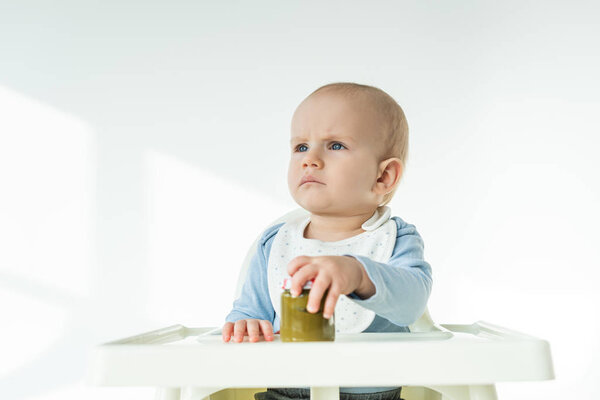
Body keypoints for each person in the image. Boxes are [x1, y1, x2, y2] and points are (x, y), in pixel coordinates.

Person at [222, 82, 432, 400]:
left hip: (371, 395)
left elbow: (411, 303)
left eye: (335, 146)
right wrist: (245, 324)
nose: (311, 159)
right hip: (285, 392)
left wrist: (357, 274)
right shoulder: (275, 242)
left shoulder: (397, 238)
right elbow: (251, 310)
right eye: (301, 147)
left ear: (383, 177)